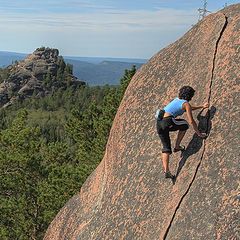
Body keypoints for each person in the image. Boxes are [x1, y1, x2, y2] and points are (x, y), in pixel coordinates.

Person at [156, 86, 209, 179]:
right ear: (190, 96)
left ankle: (166, 170)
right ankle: (177, 146)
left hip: (159, 123)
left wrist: (201, 106)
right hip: (168, 121)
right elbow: (191, 120)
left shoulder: (176, 100)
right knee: (185, 124)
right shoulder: (185, 104)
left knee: (166, 148)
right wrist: (199, 134)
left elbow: (188, 107)